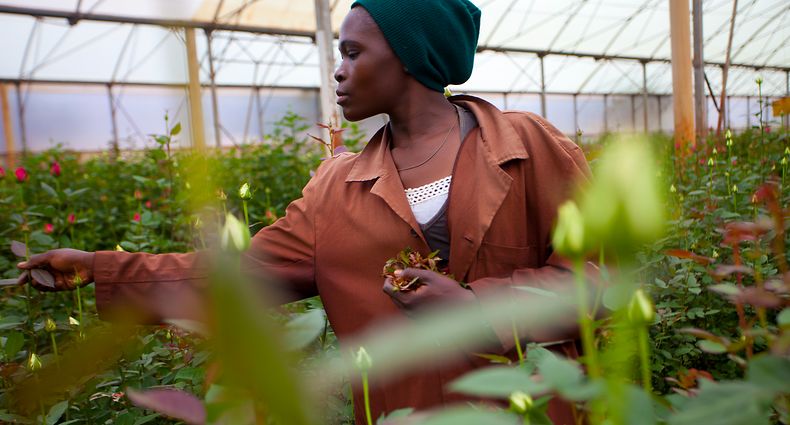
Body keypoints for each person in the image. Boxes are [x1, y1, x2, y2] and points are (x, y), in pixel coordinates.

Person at [18, 0, 592, 423]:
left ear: (410, 54)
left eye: (353, 51)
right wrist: (100, 267)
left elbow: (598, 280)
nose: (338, 70)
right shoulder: (336, 186)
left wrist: (474, 307)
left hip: (532, 408)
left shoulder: (526, 149)